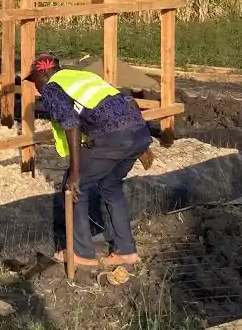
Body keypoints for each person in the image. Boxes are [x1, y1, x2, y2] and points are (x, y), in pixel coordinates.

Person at [27, 53, 152, 268]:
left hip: (112, 137)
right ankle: (126, 251)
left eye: (34, 80)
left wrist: (75, 174)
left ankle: (81, 253)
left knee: (75, 187)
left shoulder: (52, 89)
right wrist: (143, 147)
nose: (35, 87)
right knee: (110, 185)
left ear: (43, 72)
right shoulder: (83, 77)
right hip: (139, 133)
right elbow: (128, 101)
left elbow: (71, 124)